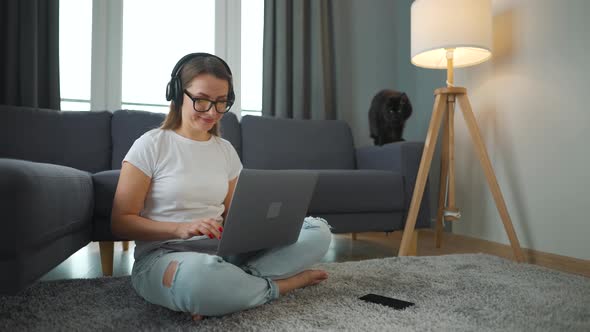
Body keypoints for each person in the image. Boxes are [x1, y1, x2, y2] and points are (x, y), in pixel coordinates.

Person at [111, 53, 332, 320]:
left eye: (221, 103)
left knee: (318, 231)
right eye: (202, 100)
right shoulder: (150, 145)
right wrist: (180, 229)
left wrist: (263, 230)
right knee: (199, 279)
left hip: (223, 254)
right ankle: (277, 285)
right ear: (178, 93)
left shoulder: (225, 151)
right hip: (164, 256)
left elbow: (235, 215)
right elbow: (121, 222)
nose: (213, 112)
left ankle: (228, 289)